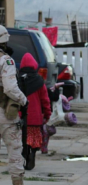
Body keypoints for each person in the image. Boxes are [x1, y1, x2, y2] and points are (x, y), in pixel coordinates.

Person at [0, 26, 27, 185]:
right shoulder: (6, 60)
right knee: (15, 151)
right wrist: (24, 100)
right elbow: (10, 88)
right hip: (6, 114)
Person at [19, 53, 51, 170]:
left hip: (21, 116)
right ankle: (32, 153)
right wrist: (47, 113)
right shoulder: (39, 80)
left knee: (22, 139)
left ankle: (25, 155)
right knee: (34, 139)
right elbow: (45, 99)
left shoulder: (17, 78)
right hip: (35, 117)